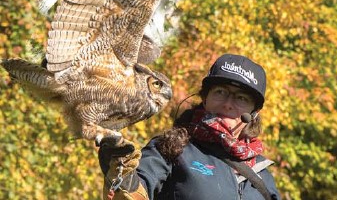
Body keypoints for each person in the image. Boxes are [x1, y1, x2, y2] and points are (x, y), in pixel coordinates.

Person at [98, 53, 281, 200]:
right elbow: (135, 193)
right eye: (220, 92)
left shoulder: (261, 172)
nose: (227, 104)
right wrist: (124, 178)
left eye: (241, 98)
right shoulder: (171, 147)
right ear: (205, 98)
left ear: (254, 112)